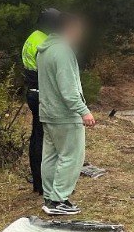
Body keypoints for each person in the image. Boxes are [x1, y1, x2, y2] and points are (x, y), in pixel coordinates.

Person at [37, 13, 95, 215]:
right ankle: (59, 199)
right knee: (71, 156)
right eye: (78, 28)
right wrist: (83, 111)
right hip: (65, 114)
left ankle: (49, 197)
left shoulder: (45, 50)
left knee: (51, 156)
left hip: (48, 112)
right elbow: (68, 89)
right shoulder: (62, 51)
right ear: (69, 28)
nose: (80, 33)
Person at [20, 8, 60, 195]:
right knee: (46, 139)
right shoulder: (45, 42)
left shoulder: (32, 37)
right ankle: (44, 183)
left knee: (36, 136)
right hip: (43, 93)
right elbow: (51, 70)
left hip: (32, 91)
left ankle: (38, 182)